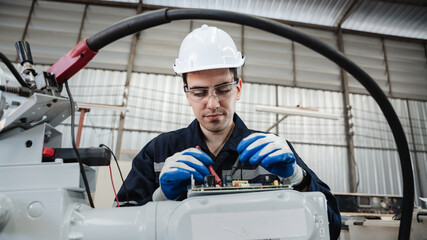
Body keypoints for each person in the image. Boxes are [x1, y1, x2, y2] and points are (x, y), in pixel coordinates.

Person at [116, 24, 341, 239]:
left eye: (223, 89)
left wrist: (296, 178)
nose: (212, 103)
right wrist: (162, 197)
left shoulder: (272, 149)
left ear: (238, 89)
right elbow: (118, 230)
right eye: (199, 92)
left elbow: (331, 227)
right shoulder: (158, 152)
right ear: (187, 96)